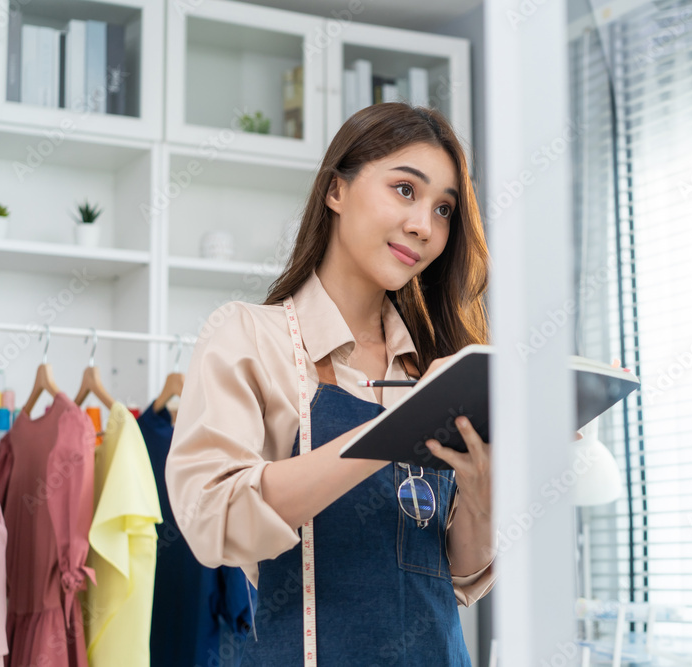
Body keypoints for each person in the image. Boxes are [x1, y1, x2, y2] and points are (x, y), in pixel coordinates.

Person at [165, 103, 495, 666]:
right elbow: (211, 516)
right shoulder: (248, 336)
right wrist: (395, 430)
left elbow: (456, 576)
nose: (425, 226)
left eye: (444, 209)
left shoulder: (435, 368)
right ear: (335, 191)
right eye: (405, 190)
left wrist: (486, 490)